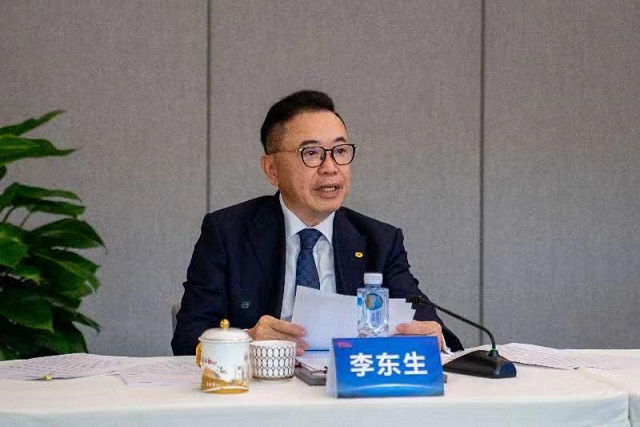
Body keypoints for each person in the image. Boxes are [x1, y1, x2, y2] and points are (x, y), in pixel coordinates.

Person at [171, 90, 463, 356]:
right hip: (260, 387)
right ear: (272, 169)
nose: (330, 167)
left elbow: (431, 326)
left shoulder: (379, 241)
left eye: (340, 151)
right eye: (311, 153)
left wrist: (432, 337)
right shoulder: (228, 233)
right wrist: (247, 339)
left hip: (349, 388)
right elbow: (187, 338)